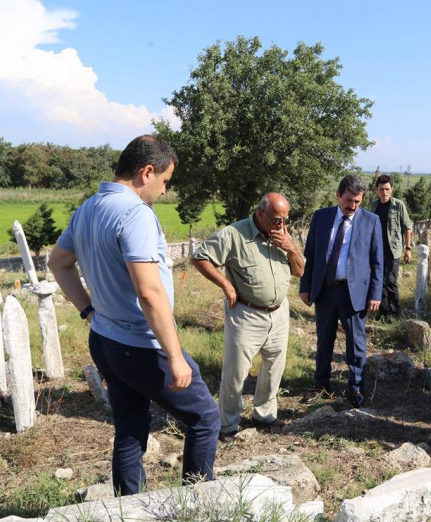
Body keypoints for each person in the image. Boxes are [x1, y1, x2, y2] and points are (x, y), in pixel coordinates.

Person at [49, 134, 220, 495]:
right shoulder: (135, 214)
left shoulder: (89, 208)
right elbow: (149, 291)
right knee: (204, 417)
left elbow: (58, 262)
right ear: (146, 172)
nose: (163, 192)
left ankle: (128, 510)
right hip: (141, 344)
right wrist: (175, 356)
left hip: (105, 339)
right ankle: (199, 505)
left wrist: (88, 310)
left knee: (129, 427)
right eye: (165, 181)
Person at [191, 193, 305, 442]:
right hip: (246, 313)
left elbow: (299, 271)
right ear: (261, 214)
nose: (282, 225)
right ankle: (228, 424)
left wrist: (291, 248)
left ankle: (264, 415)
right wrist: (225, 284)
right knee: (236, 372)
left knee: (274, 367)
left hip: (279, 313)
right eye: (277, 219)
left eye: (286, 219)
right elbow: (199, 257)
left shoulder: (283, 235)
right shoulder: (234, 234)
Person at [299, 174, 383, 408]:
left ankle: (355, 387)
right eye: (348, 200)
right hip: (325, 291)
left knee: (356, 342)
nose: (352, 206)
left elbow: (378, 261)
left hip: (355, 293)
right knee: (324, 339)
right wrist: (305, 286)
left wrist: (375, 294)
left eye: (357, 202)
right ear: (338, 195)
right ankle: (321, 384)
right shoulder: (321, 217)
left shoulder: (371, 221)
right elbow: (311, 255)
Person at [370, 175, 413, 320]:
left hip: (393, 250)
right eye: (381, 189)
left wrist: (408, 249)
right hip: (376, 250)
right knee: (378, 281)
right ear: (376, 190)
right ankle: (383, 312)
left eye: (387, 189)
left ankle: (395, 314)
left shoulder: (398, 205)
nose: (384, 192)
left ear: (392, 189)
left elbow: (407, 227)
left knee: (391, 281)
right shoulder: (373, 205)